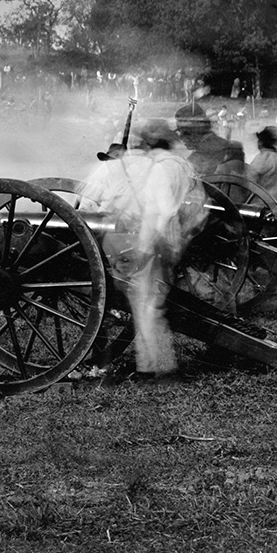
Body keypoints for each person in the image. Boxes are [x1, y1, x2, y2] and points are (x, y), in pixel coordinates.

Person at [81, 119, 204, 378]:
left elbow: (159, 212)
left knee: (146, 307)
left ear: (150, 144)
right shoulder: (182, 165)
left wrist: (145, 248)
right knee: (152, 306)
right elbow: (194, 206)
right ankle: (156, 365)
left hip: (154, 242)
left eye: (144, 144)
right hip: (171, 241)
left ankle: (155, 369)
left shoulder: (160, 169)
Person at [176, 102, 247, 180]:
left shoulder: (196, 160)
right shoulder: (233, 147)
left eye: (184, 131)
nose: (181, 137)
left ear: (195, 129)